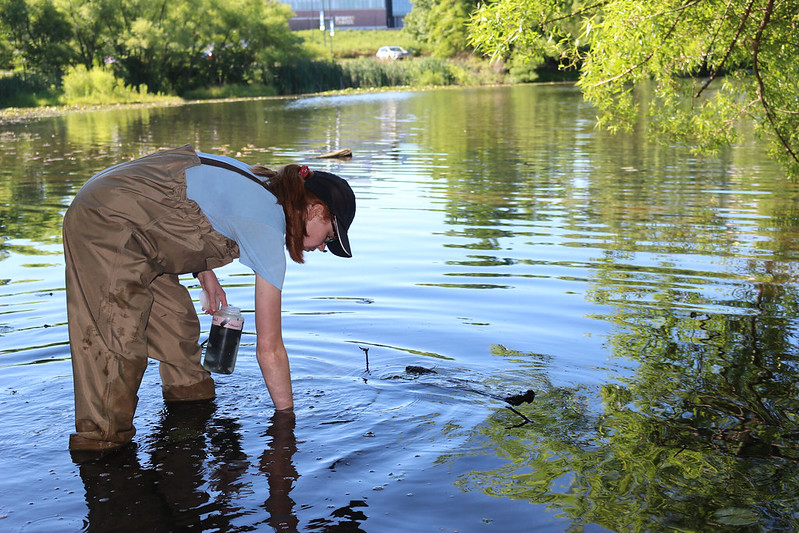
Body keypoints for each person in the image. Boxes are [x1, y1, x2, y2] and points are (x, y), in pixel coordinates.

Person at [62, 144, 356, 453]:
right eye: (330, 237)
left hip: (141, 229)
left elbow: (193, 203)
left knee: (177, 330)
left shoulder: (262, 188)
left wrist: (204, 272)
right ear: (316, 210)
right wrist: (287, 423)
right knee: (117, 347)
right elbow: (270, 350)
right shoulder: (268, 226)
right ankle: (102, 455)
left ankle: (187, 430)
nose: (324, 247)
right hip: (105, 220)